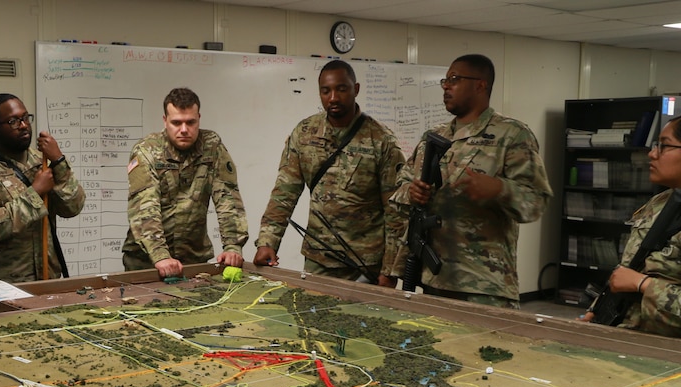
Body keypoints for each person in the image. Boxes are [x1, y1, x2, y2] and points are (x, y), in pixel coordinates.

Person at [391, 54, 552, 308]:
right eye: (445, 80)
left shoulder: (512, 134)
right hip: (434, 279)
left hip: (485, 284)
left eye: (454, 79)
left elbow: (536, 201)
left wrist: (499, 189)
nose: (446, 86)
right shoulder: (434, 136)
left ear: (480, 85)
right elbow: (400, 185)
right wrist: (411, 193)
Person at [253, 60, 406, 286]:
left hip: (366, 265)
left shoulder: (381, 140)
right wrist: (267, 241)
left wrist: (390, 269)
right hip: (318, 259)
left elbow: (395, 212)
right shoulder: (304, 134)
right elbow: (284, 194)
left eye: (341, 89)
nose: (333, 97)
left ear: (356, 89)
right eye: (326, 91)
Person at [0, 93, 85, 283]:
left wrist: (59, 161)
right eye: (13, 121)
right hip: (2, 285)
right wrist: (35, 192)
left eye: (25, 118)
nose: (24, 125)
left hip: (46, 278)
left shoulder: (41, 160)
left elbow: (72, 208)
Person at [124, 87, 248, 277]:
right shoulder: (146, 151)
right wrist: (160, 256)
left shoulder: (212, 146)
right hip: (147, 261)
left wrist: (233, 245)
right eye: (176, 123)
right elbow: (144, 208)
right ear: (165, 121)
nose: (184, 130)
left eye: (191, 122)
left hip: (193, 258)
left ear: (199, 118)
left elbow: (227, 197)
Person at [583, 117, 681, 336]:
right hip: (629, 336)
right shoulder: (660, 202)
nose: (652, 154)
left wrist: (643, 284)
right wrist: (597, 309)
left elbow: (635, 279)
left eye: (664, 146)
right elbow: (631, 267)